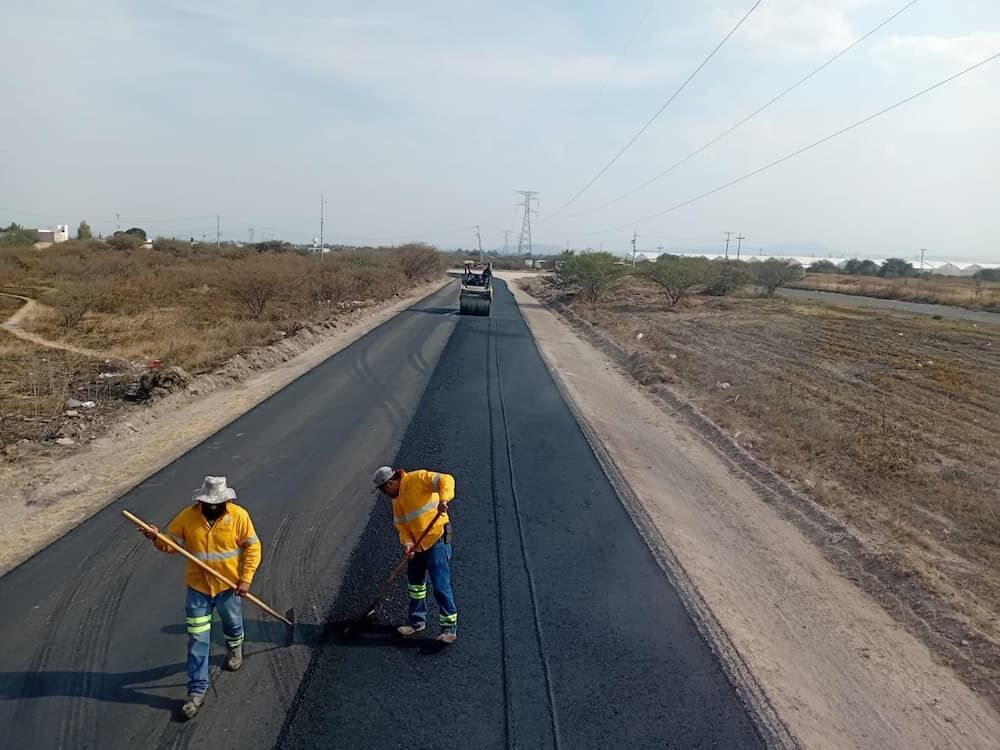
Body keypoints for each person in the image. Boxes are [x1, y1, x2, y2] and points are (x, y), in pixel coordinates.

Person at [140, 475, 262, 719]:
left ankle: (235, 648)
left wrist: (245, 579)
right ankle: (196, 691)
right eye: (209, 503)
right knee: (198, 639)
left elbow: (253, 547)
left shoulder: (238, 516)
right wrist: (156, 537)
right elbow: (171, 543)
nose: (214, 507)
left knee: (233, 624)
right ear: (202, 501)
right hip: (198, 589)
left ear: (226, 501)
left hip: (229, 588)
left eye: (218, 503)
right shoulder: (188, 516)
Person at [372, 466, 458, 644]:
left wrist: (444, 499)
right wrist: (408, 544)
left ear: (389, 484)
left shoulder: (417, 478)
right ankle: (417, 621)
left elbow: (446, 479)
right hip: (417, 546)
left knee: (440, 585)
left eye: (383, 490)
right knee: (416, 586)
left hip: (436, 539)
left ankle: (449, 628)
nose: (384, 494)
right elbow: (401, 526)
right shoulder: (396, 501)